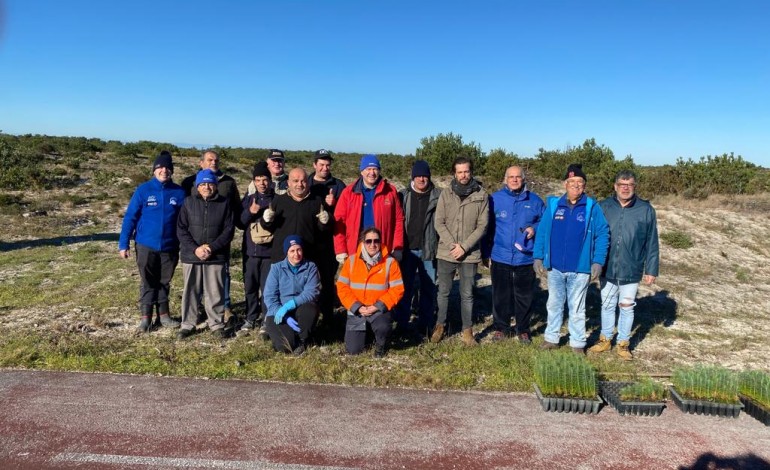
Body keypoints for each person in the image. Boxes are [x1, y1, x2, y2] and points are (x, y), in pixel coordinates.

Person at [533, 163, 609, 354]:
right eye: (572, 181)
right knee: (554, 303)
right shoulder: (553, 205)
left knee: (577, 307)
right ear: (565, 183)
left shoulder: (592, 208)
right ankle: (551, 338)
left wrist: (598, 261)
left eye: (580, 182)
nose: (576, 185)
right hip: (555, 267)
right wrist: (538, 256)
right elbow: (542, 232)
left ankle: (577, 343)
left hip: (580, 268)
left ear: (584, 186)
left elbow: (603, 234)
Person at [588, 170, 659, 360]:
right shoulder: (603, 206)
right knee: (607, 304)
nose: (625, 188)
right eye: (621, 184)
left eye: (629, 185)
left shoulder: (645, 210)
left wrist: (651, 269)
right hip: (607, 265)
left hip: (632, 266)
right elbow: (593, 236)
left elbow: (652, 242)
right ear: (615, 186)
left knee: (626, 306)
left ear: (634, 187)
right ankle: (605, 339)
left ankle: (623, 343)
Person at [118, 150, 185, 332]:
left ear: (172, 171)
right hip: (146, 245)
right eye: (160, 167)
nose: (164, 171)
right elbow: (130, 217)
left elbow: (185, 220)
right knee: (148, 280)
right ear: (154, 170)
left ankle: (164, 316)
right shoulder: (143, 190)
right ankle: (146, 318)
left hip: (170, 246)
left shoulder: (179, 192)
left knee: (164, 281)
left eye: (167, 168)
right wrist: (123, 244)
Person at [431, 156, 489, 347]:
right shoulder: (446, 194)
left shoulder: (481, 195)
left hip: (470, 254)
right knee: (444, 292)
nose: (463, 175)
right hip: (447, 252)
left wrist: (464, 246)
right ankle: (440, 326)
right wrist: (452, 245)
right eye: (460, 172)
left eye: (466, 171)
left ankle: (467, 331)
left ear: (471, 172)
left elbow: (482, 225)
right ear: (454, 173)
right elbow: (439, 222)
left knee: (467, 294)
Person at [181, 149, 242, 321]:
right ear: (201, 163)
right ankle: (198, 308)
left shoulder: (229, 182)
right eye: (209, 160)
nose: (213, 163)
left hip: (220, 239)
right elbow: (183, 211)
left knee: (222, 276)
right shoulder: (188, 183)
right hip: (195, 241)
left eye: (216, 160)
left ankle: (225, 306)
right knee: (195, 280)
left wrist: (239, 225)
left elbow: (236, 208)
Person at [488, 165, 545, 344]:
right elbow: (486, 227)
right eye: (511, 177)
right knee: (500, 294)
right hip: (500, 255)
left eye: (517, 177)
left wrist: (534, 229)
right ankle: (501, 328)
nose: (514, 180)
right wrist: (485, 251)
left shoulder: (535, 201)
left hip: (525, 257)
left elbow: (544, 223)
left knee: (524, 295)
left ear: (523, 179)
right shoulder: (494, 199)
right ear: (505, 179)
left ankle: (523, 329)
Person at [176, 169, 235, 339]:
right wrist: (196, 248)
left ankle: (215, 323)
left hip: (215, 256)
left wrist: (211, 248)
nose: (206, 187)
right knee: (191, 291)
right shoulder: (188, 203)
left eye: (210, 183)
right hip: (191, 255)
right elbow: (181, 229)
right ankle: (188, 324)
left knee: (215, 291)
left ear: (215, 186)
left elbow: (228, 230)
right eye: (203, 184)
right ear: (197, 186)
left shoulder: (225, 204)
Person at [336, 227, 404, 357]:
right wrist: (357, 307)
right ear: (363, 242)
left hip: (378, 310)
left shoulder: (390, 262)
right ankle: (368, 335)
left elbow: (397, 289)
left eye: (376, 241)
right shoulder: (351, 261)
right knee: (353, 351)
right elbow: (342, 287)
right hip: (357, 310)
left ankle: (381, 345)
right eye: (369, 241)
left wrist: (377, 306)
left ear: (380, 242)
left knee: (383, 327)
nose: (373, 244)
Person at [395, 160, 441, 338]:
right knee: (404, 288)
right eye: (418, 175)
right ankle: (402, 323)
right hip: (406, 250)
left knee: (428, 288)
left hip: (429, 249)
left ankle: (426, 324)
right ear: (412, 177)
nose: (422, 179)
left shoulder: (438, 196)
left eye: (425, 176)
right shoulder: (403, 196)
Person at [334, 154, 404, 264]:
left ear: (379, 171)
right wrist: (341, 250)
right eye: (368, 169)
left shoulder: (390, 191)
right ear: (362, 171)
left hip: (382, 249)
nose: (372, 173)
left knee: (381, 280)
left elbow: (398, 220)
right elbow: (339, 223)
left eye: (375, 169)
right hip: (356, 250)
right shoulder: (348, 193)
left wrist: (398, 246)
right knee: (356, 280)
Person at [307, 149, 347, 335]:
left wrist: (335, 202)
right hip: (308, 240)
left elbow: (346, 213)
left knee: (328, 281)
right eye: (321, 164)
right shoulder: (305, 183)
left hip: (330, 243)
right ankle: (309, 317)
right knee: (308, 280)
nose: (324, 167)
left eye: (327, 164)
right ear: (314, 165)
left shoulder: (338, 185)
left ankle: (328, 318)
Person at [260, 167, 332, 264]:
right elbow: (268, 227)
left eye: (303, 181)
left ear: (308, 183)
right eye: (295, 181)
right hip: (281, 258)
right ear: (288, 183)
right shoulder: (279, 201)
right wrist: (266, 220)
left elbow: (324, 230)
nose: (299, 184)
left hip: (308, 259)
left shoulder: (317, 202)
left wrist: (325, 222)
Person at [263, 236, 321, 354]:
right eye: (292, 251)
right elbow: (269, 296)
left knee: (310, 309)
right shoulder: (276, 268)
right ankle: (282, 335)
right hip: (279, 312)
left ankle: (303, 339)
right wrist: (283, 313)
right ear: (287, 252)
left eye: (299, 249)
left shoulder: (310, 267)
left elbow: (312, 292)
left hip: (300, 307)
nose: (296, 254)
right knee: (285, 347)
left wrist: (291, 304)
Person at [237, 161, 275, 337]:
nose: (262, 183)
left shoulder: (277, 199)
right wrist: (250, 212)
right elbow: (239, 223)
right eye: (258, 179)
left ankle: (267, 321)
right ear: (254, 181)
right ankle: (251, 317)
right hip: (250, 253)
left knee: (267, 288)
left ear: (270, 180)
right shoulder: (248, 199)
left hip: (269, 253)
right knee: (250, 287)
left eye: (265, 179)